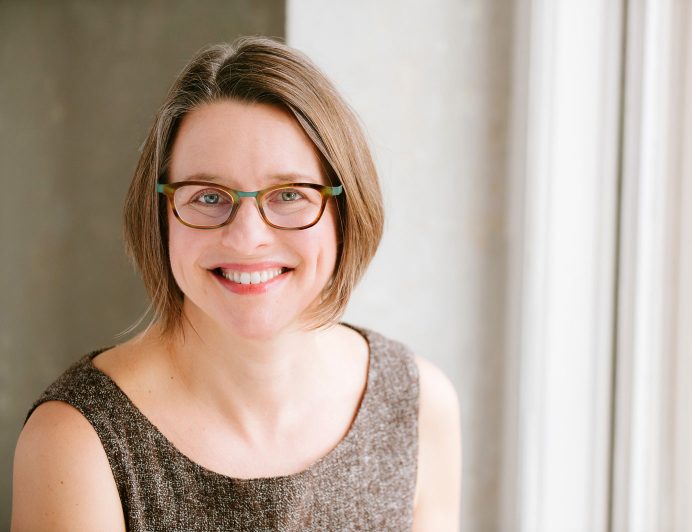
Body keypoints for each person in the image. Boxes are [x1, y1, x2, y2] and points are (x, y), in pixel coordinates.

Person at [11, 36, 461, 531]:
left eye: (289, 193)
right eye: (208, 197)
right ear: (159, 214)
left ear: (344, 208)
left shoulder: (418, 404)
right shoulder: (76, 438)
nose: (247, 239)